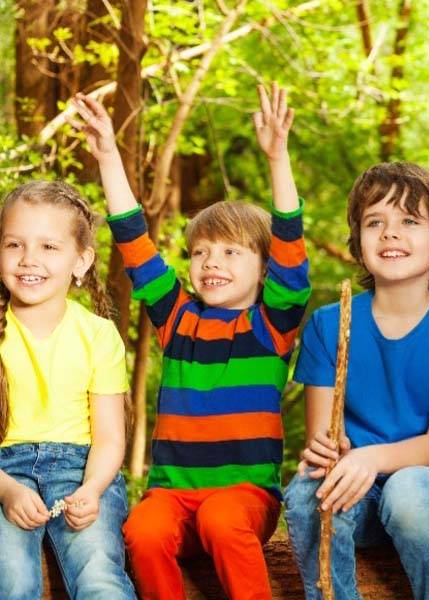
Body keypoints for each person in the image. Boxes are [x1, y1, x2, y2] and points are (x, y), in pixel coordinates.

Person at [72, 83, 311, 600]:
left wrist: (278, 158)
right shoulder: (177, 319)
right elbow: (134, 243)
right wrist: (110, 154)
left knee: (224, 520)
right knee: (142, 530)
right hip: (174, 495)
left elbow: (291, 244)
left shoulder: (272, 327)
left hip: (245, 497)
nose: (212, 264)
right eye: (201, 253)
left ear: (264, 269)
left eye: (230, 253)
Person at [283, 161, 429, 600]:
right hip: (353, 491)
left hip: (426, 488)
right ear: (359, 244)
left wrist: (372, 458)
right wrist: (329, 448)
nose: (390, 233)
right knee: (307, 493)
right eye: (374, 221)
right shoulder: (330, 323)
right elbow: (326, 435)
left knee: (409, 492)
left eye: (410, 221)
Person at [0, 180, 135, 599]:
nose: (28, 260)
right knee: (13, 578)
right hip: (4, 472)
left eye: (49, 247)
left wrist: (92, 490)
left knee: (100, 576)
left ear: (81, 261)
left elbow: (111, 438)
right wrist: (6, 489)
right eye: (13, 245)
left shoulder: (98, 335)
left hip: (82, 469)